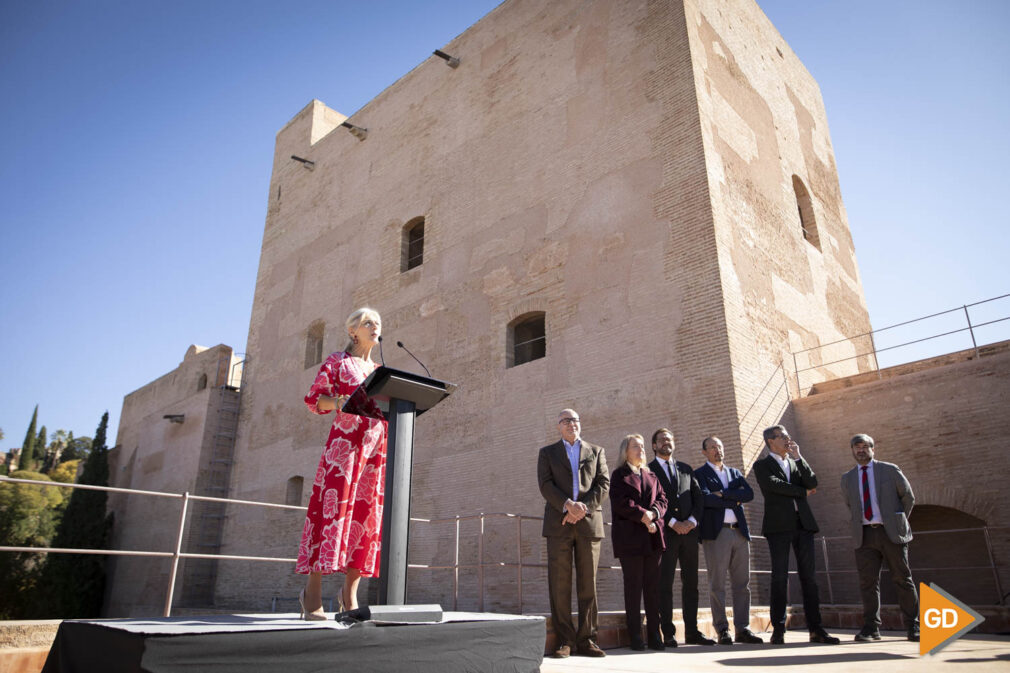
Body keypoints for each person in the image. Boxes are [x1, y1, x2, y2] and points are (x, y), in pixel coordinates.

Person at [295, 308, 386, 619]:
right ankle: (313, 592)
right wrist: (339, 402)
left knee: (365, 518)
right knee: (331, 514)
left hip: (375, 453)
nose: (375, 326)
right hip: (344, 450)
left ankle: (349, 594)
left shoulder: (379, 369)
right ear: (353, 331)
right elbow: (314, 400)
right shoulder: (338, 361)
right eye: (368, 322)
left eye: (378, 322)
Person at [753, 425, 839, 644]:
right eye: (782, 436)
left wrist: (799, 457)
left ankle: (816, 629)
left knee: (809, 578)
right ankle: (779, 629)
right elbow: (773, 485)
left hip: (803, 525)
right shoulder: (762, 465)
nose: (787, 439)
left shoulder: (794, 462)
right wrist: (802, 492)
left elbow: (813, 482)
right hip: (779, 527)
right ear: (771, 441)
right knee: (779, 577)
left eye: (787, 435)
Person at [538, 409, 610, 658]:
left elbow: (603, 483)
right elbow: (545, 485)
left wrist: (582, 509)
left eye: (575, 420)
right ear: (558, 426)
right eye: (566, 421)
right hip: (559, 524)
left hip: (589, 524)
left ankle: (587, 639)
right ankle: (564, 641)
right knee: (559, 583)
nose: (572, 424)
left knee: (588, 583)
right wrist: (568, 505)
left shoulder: (596, 451)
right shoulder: (547, 453)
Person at [841, 433, 920, 642]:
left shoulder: (889, 470)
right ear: (852, 451)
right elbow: (851, 505)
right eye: (857, 447)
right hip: (864, 535)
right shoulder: (847, 478)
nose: (861, 450)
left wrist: (896, 521)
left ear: (872, 449)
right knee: (868, 583)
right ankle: (871, 628)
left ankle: (913, 626)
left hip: (890, 533)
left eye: (865, 446)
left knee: (903, 579)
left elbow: (908, 497)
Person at [648, 428, 715, 647]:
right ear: (654, 446)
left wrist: (692, 522)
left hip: (689, 535)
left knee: (691, 584)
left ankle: (693, 631)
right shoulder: (649, 470)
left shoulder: (686, 469)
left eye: (670, 439)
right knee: (664, 584)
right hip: (666, 534)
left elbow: (698, 498)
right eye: (662, 440)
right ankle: (668, 632)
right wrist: (674, 523)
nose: (667, 442)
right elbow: (652, 500)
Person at [694, 436, 763, 645]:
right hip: (717, 534)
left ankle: (743, 628)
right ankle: (722, 629)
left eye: (720, 446)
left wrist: (723, 494)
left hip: (740, 533)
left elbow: (749, 494)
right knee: (717, 584)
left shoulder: (734, 473)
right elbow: (705, 498)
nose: (718, 450)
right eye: (713, 447)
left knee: (743, 584)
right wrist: (734, 498)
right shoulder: (700, 474)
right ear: (705, 452)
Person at [609, 434, 668, 651]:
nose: (641, 449)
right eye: (636, 446)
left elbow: (663, 500)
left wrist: (653, 514)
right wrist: (644, 516)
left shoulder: (651, 474)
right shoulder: (619, 475)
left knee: (653, 589)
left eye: (642, 446)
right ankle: (635, 636)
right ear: (626, 451)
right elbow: (621, 503)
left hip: (653, 538)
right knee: (633, 589)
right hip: (631, 540)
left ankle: (655, 635)